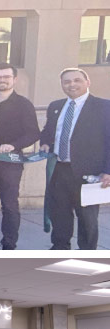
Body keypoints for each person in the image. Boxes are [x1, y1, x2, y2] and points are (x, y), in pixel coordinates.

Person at [39, 68, 110, 250]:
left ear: (87, 82)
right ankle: (60, 248)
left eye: (77, 80)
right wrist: (46, 143)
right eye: (67, 81)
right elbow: (48, 132)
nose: (72, 84)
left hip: (89, 173)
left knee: (87, 219)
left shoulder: (104, 107)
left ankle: (87, 253)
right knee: (60, 213)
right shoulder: (56, 106)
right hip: (60, 169)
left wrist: (108, 171)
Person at [0, 62, 40, 250]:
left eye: (6, 77)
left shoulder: (24, 104)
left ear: (14, 79)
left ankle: (9, 242)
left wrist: (13, 145)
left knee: (9, 204)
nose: (2, 80)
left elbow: (33, 133)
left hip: (10, 164)